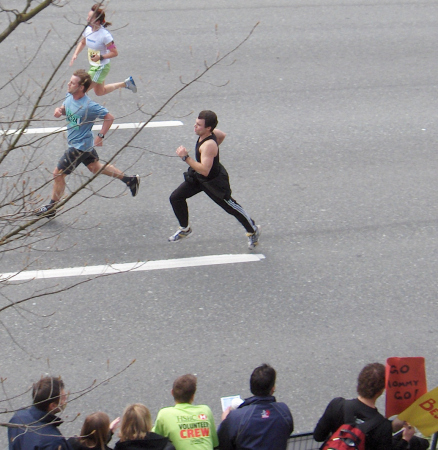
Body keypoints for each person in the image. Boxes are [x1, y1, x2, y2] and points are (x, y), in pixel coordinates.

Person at [34, 69, 140, 218]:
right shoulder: (70, 96)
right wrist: (59, 110)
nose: (68, 84)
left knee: (58, 174)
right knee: (95, 167)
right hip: (83, 144)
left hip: (79, 147)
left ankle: (51, 207)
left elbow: (109, 118)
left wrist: (101, 136)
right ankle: (130, 180)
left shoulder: (89, 106)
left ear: (81, 88)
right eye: (70, 81)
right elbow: (66, 108)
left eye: (72, 83)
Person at [168, 110, 260, 250]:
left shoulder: (209, 145)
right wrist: (211, 155)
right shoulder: (213, 134)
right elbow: (222, 135)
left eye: (199, 125)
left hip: (213, 183)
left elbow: (205, 170)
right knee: (176, 197)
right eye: (196, 123)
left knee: (231, 207)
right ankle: (185, 229)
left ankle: (253, 230)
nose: (195, 126)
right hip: (199, 177)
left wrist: (185, 157)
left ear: (208, 128)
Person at [313, 362, 418, 450]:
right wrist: (405, 440)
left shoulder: (337, 404)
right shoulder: (382, 426)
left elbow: (318, 436)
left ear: (359, 381)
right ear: (380, 391)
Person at [217, 364, 293, 450]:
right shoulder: (284, 411)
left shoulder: (236, 418)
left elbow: (223, 443)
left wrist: (226, 422)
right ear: (272, 388)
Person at [69, 3, 137, 96]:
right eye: (88, 16)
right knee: (100, 92)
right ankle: (127, 83)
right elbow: (83, 42)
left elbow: (114, 53)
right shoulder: (87, 30)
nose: (87, 19)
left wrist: (100, 57)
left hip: (100, 67)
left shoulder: (105, 36)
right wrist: (75, 54)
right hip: (93, 65)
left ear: (97, 21)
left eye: (90, 18)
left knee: (81, 91)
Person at [153, 374, 219, 449]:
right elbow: (215, 444)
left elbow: (153, 439)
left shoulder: (165, 414)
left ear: (172, 392)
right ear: (193, 396)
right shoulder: (205, 410)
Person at [8, 375, 69, 450]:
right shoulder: (53, 441)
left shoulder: (17, 417)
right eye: (63, 398)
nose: (66, 399)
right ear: (53, 405)